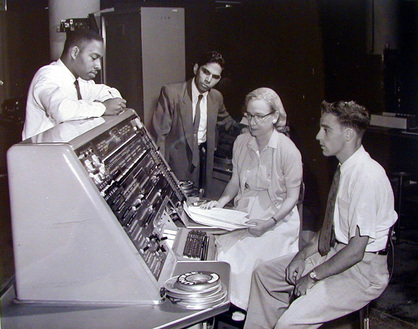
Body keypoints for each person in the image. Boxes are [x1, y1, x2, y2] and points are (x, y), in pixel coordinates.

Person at [244, 100, 398, 329]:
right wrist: (302, 256)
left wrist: (313, 276)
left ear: (348, 135)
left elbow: (356, 251)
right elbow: (330, 233)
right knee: (264, 275)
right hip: (335, 253)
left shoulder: (367, 177)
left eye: (326, 130)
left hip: (362, 272)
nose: (318, 136)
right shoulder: (345, 169)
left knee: (290, 323)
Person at [201, 87, 303, 311]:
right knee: (222, 251)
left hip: (278, 216)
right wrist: (219, 204)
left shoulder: (288, 150)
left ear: (274, 117)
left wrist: (270, 223)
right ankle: (232, 310)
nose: (253, 122)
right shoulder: (241, 142)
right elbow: (235, 182)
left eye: (259, 116)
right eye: (249, 115)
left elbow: (292, 198)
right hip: (246, 209)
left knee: (250, 259)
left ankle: (250, 311)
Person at [151, 51, 235, 194]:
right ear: (196, 68)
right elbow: (159, 136)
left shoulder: (216, 97)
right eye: (205, 72)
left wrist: (249, 128)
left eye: (215, 77)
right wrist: (162, 171)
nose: (208, 80)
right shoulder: (172, 93)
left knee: (199, 201)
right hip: (177, 162)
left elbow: (226, 122)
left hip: (204, 162)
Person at [22, 29, 126, 140]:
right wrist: (103, 107)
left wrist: (112, 103)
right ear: (74, 52)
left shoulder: (79, 81)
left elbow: (107, 92)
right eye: (94, 58)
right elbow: (62, 110)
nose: (98, 66)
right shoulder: (48, 76)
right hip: (42, 153)